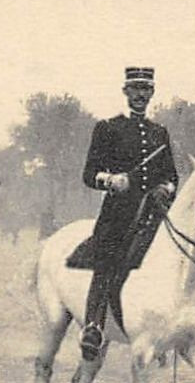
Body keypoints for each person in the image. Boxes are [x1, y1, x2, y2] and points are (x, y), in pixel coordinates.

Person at [79, 66, 189, 360]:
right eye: (135, 89)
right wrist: (111, 180)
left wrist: (166, 188)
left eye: (146, 89)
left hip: (154, 212)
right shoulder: (107, 128)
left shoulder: (159, 133)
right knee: (107, 258)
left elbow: (172, 177)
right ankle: (93, 325)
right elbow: (89, 174)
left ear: (152, 93)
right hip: (118, 214)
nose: (141, 95)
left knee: (185, 251)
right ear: (126, 92)